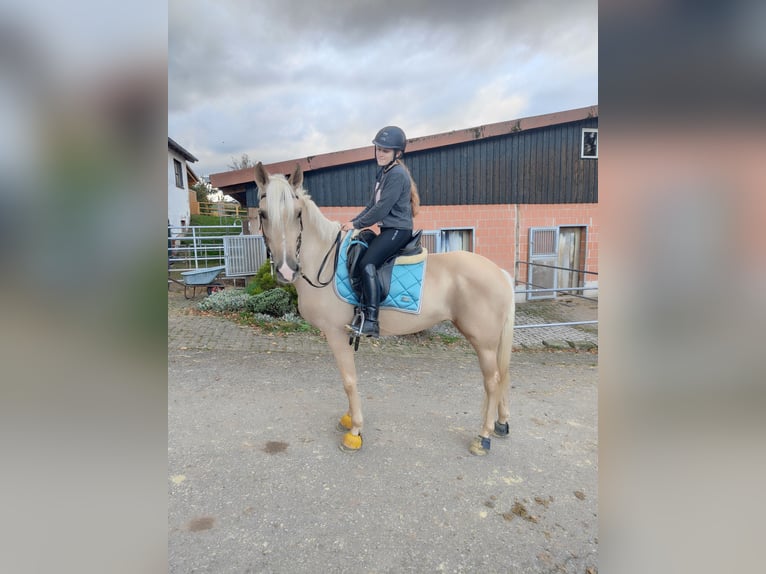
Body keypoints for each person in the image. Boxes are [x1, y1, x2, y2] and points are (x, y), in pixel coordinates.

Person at [342, 125, 421, 338]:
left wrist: (357, 225)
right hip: (389, 229)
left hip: (398, 230)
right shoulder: (383, 173)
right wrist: (352, 222)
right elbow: (371, 205)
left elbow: (381, 209)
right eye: (378, 149)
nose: (380, 153)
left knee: (368, 264)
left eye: (385, 150)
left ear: (397, 153)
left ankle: (371, 321)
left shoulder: (396, 174)